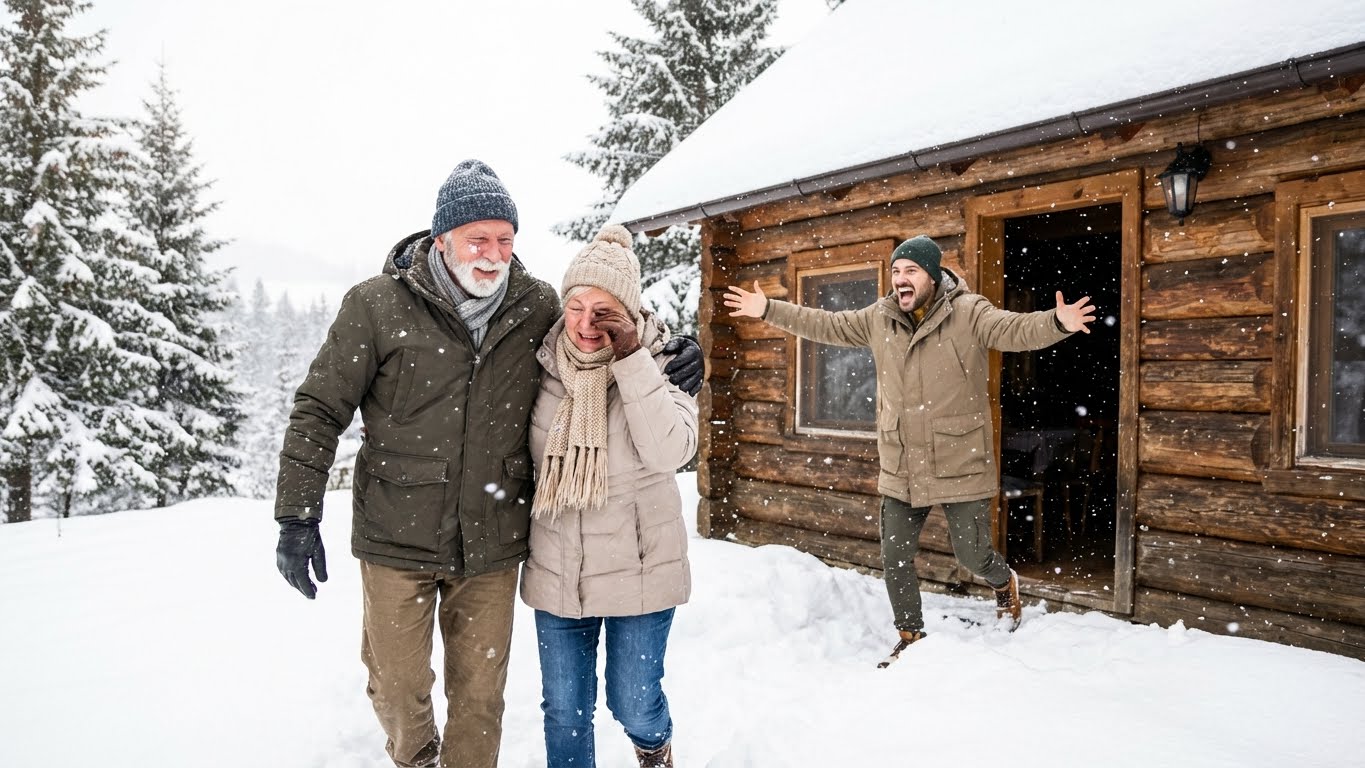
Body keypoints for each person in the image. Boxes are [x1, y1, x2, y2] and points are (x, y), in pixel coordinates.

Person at [272, 160, 702, 768]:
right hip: (397, 532)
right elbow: (319, 409)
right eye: (478, 238)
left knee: (480, 698)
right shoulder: (376, 306)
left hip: (492, 539)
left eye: (505, 239)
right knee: (396, 688)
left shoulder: (534, 306)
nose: (494, 254)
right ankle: (418, 758)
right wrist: (297, 516)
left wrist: (678, 350)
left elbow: (603, 322)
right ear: (441, 239)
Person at [722, 234, 1095, 665]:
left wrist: (1057, 323)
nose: (901, 278)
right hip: (902, 460)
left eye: (911, 270)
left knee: (971, 554)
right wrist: (768, 309)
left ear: (932, 276)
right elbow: (825, 324)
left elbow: (1014, 330)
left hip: (959, 458)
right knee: (895, 555)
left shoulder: (969, 312)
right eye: (896, 271)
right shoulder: (879, 318)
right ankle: (910, 634)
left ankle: (1001, 581)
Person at [520, 224, 697, 768]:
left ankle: (654, 746)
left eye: (604, 311)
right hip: (559, 569)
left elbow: (671, 451)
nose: (586, 324)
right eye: (576, 307)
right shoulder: (539, 365)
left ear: (629, 312)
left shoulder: (665, 362)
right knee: (565, 712)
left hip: (640, 567)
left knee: (634, 704)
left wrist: (632, 357)